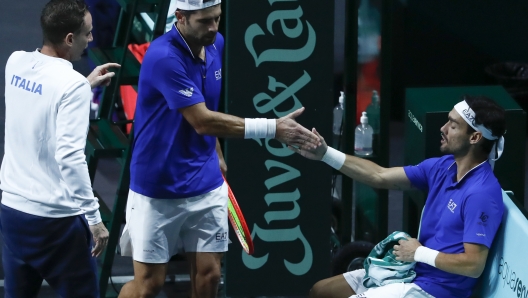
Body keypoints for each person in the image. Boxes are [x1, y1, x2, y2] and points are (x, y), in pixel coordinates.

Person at [117, 0, 321, 297]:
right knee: (149, 286)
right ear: (181, 18)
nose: (213, 28)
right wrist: (273, 128)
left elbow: (207, 107)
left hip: (205, 180)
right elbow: (201, 120)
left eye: (217, 19)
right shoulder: (163, 57)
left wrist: (216, 152)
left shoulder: (216, 44)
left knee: (210, 276)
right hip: (158, 186)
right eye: (205, 21)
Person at [291, 95, 506, 298]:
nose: (443, 129)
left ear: (475, 137)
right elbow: (379, 175)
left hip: (437, 290)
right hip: (412, 271)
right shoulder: (443, 167)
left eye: (453, 125)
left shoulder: (481, 194)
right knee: (321, 292)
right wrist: (325, 154)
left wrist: (420, 253)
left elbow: (473, 265)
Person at [0, 0, 119, 296]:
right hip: (55, 225)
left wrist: (84, 85)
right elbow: (69, 157)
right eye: (87, 34)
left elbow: (39, 101)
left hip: (12, 213)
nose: (90, 40)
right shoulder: (70, 85)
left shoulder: (15, 62)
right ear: (69, 38)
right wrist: (95, 219)